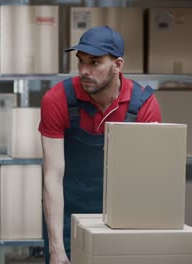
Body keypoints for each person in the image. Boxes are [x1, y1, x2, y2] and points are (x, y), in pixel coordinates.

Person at [38, 26, 162, 264]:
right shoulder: (57, 100)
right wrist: (56, 249)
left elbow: (148, 181)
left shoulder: (144, 106)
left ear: (118, 65)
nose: (84, 70)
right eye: (81, 61)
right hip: (66, 217)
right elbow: (52, 175)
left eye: (94, 63)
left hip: (122, 221)